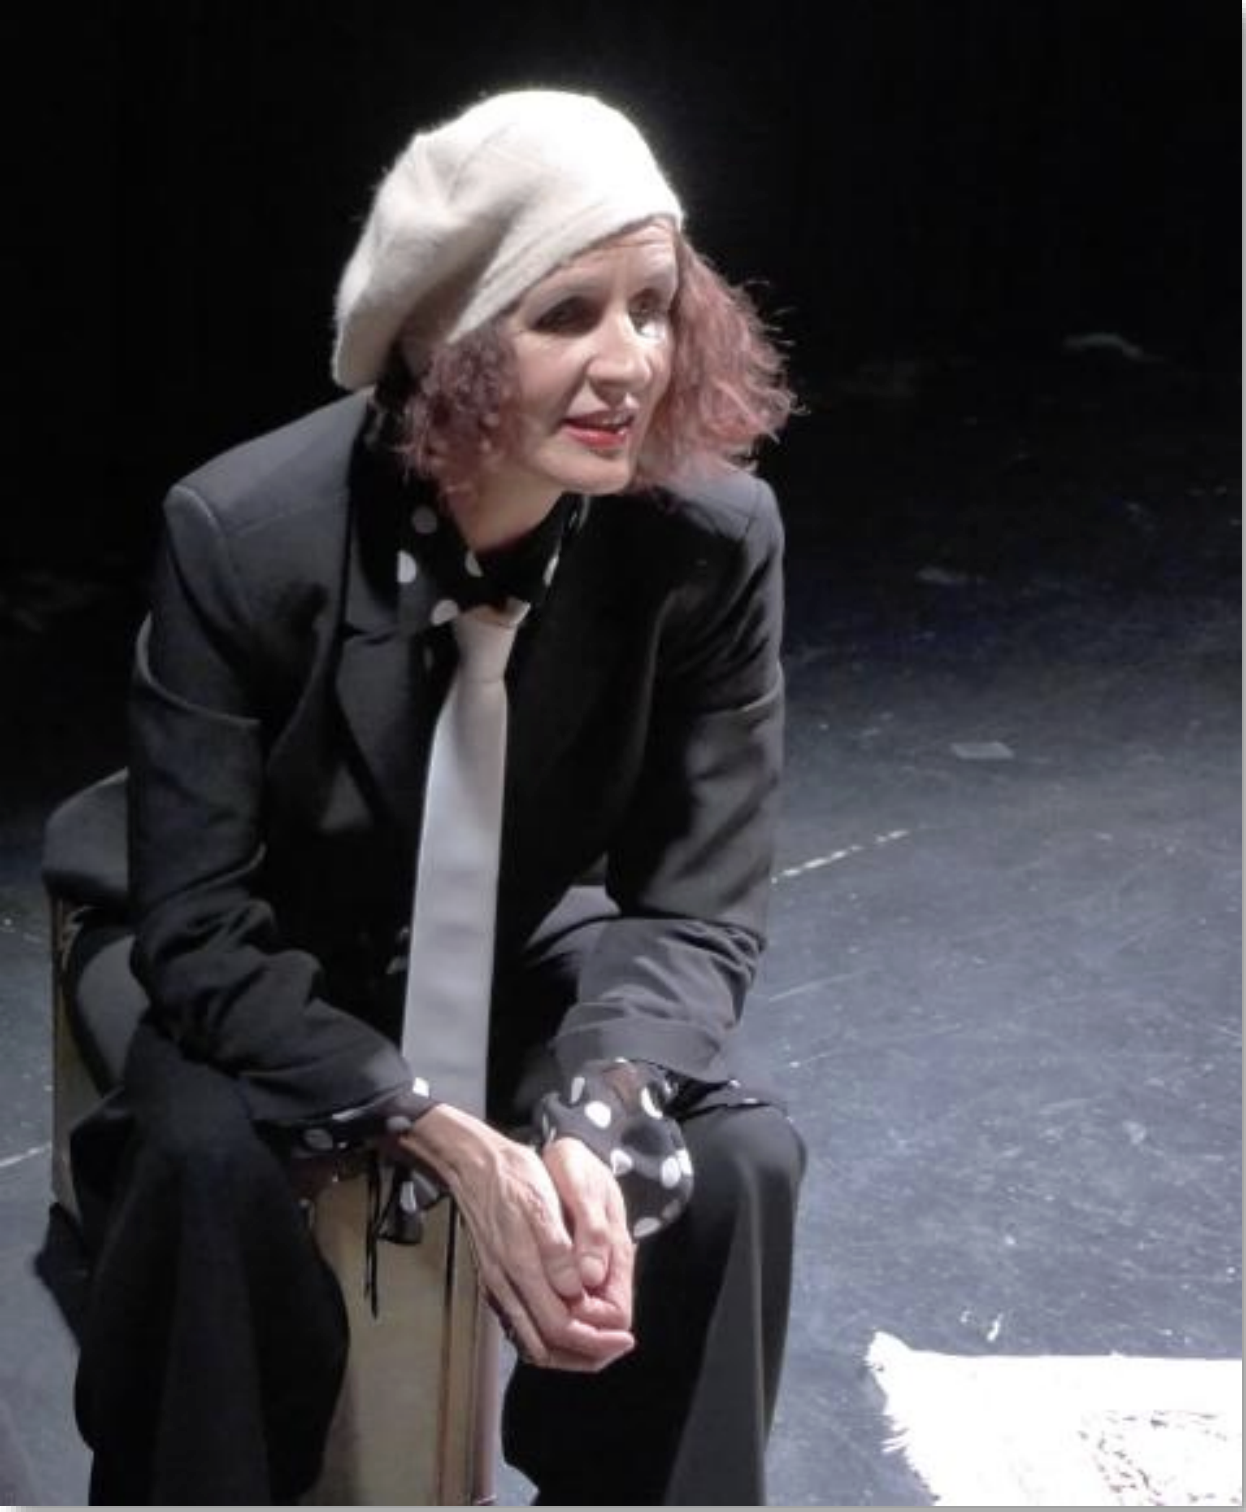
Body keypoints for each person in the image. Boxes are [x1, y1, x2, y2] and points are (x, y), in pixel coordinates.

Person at [71, 86, 804, 1505]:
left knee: (730, 1161)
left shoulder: (711, 540)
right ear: (443, 341)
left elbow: (697, 901)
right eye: (565, 314)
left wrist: (599, 1109)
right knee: (205, 1163)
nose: (628, 364)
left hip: (502, 930)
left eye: (653, 307)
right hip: (251, 948)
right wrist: (433, 1128)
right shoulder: (244, 533)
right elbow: (202, 931)